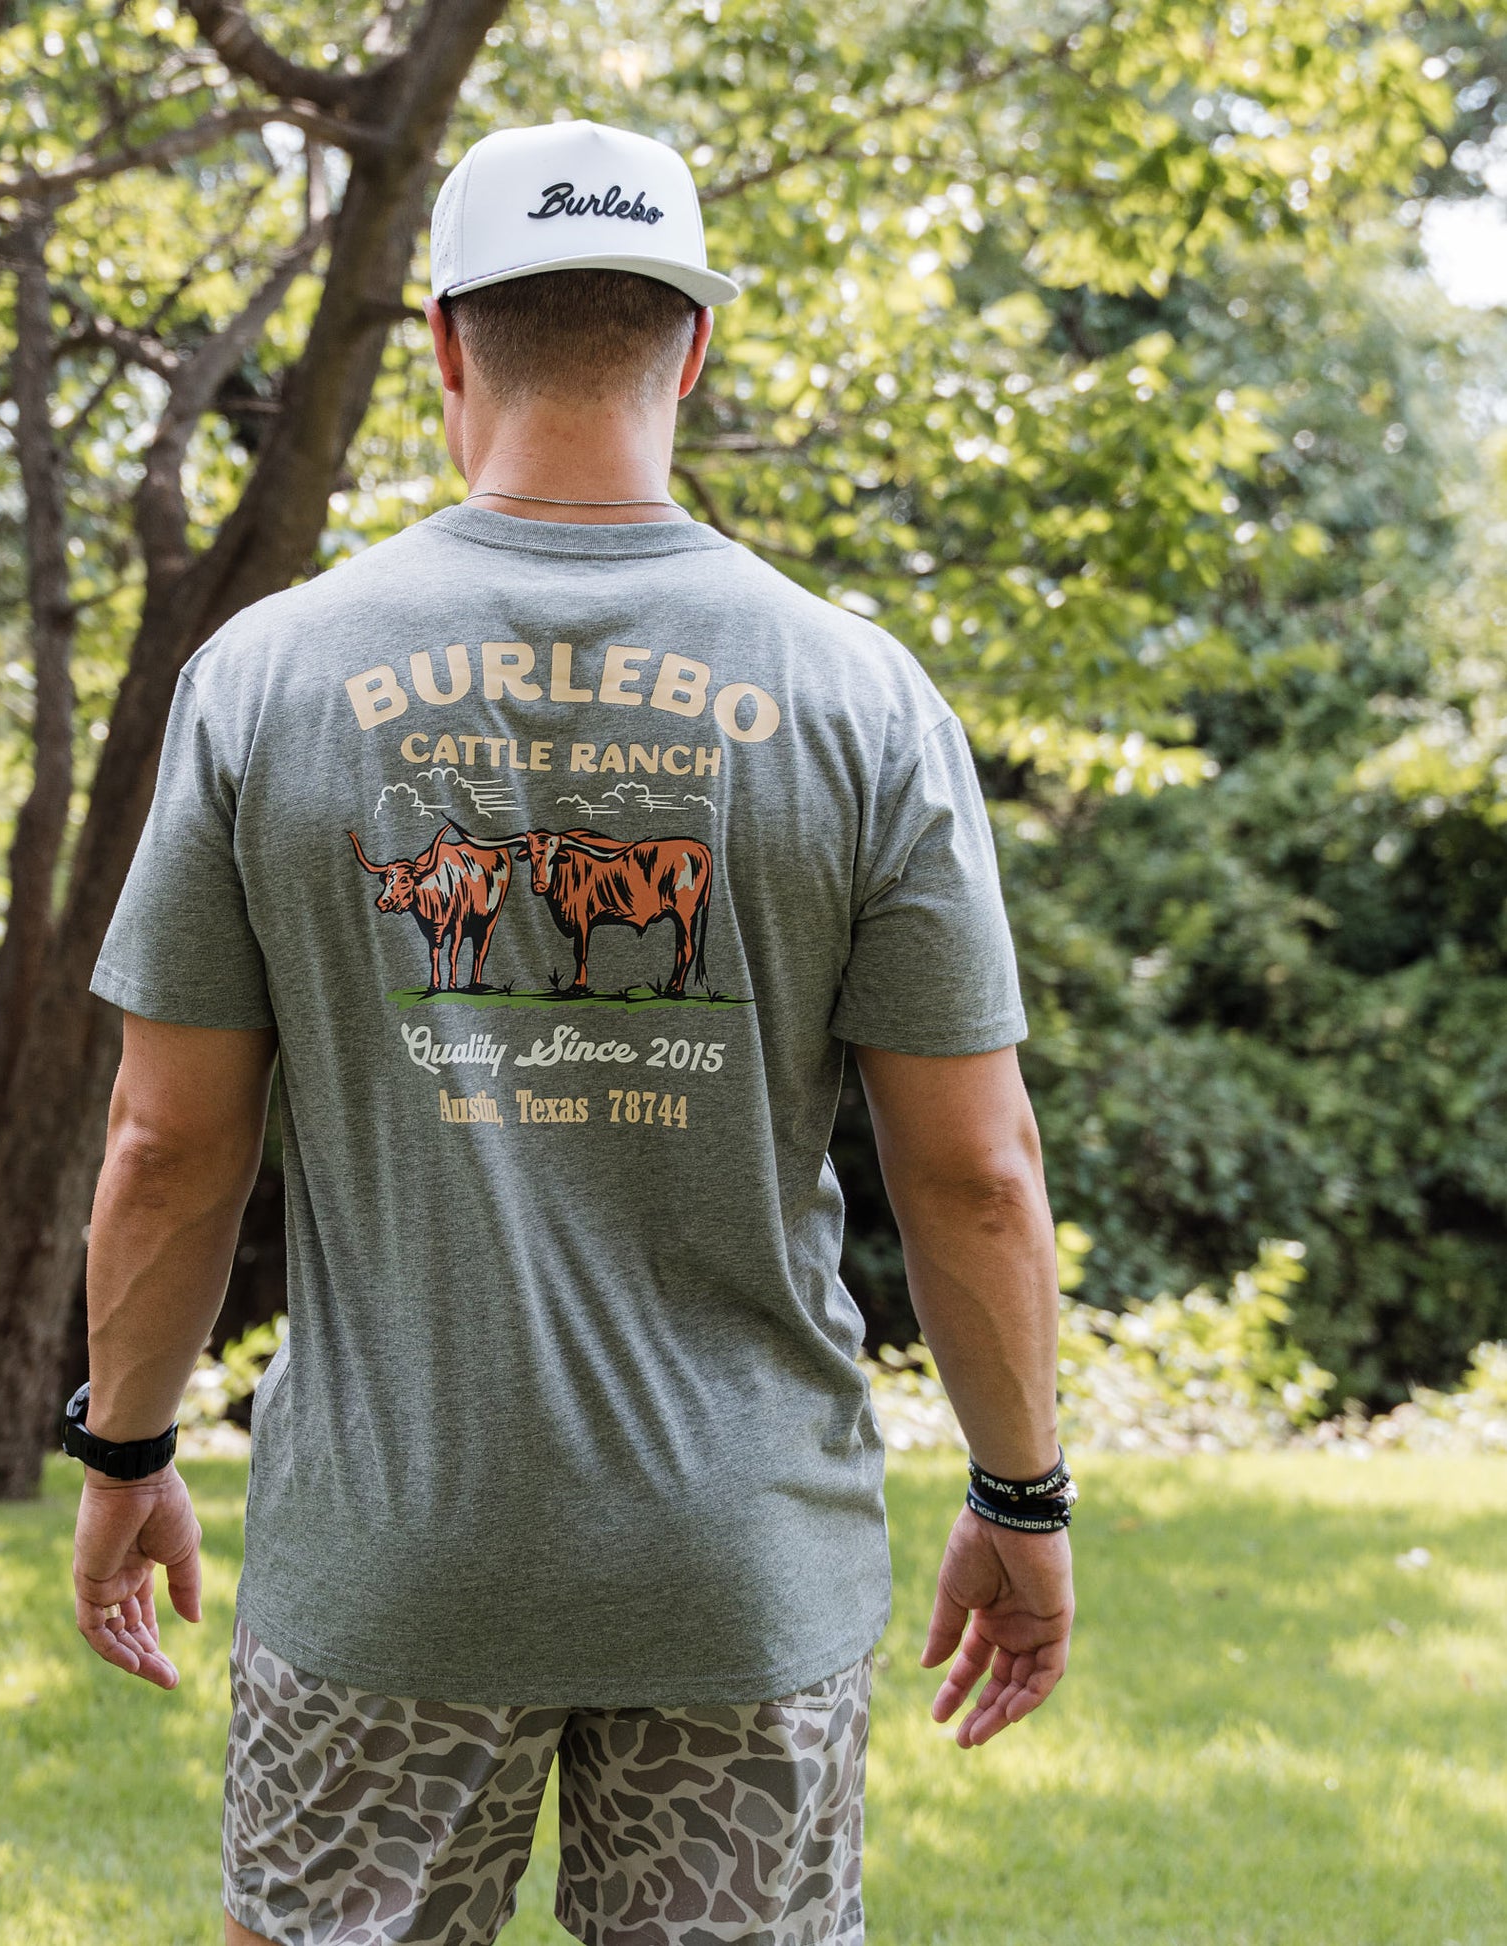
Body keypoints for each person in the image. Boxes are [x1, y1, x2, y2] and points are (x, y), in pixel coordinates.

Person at [65, 118, 1075, 1946]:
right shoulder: (858, 695)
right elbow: (975, 1173)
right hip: (735, 1571)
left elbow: (168, 1142)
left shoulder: (265, 681)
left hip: (390, 1570)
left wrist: (128, 1452)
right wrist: (1020, 1490)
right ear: (691, 348)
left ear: (445, 342)